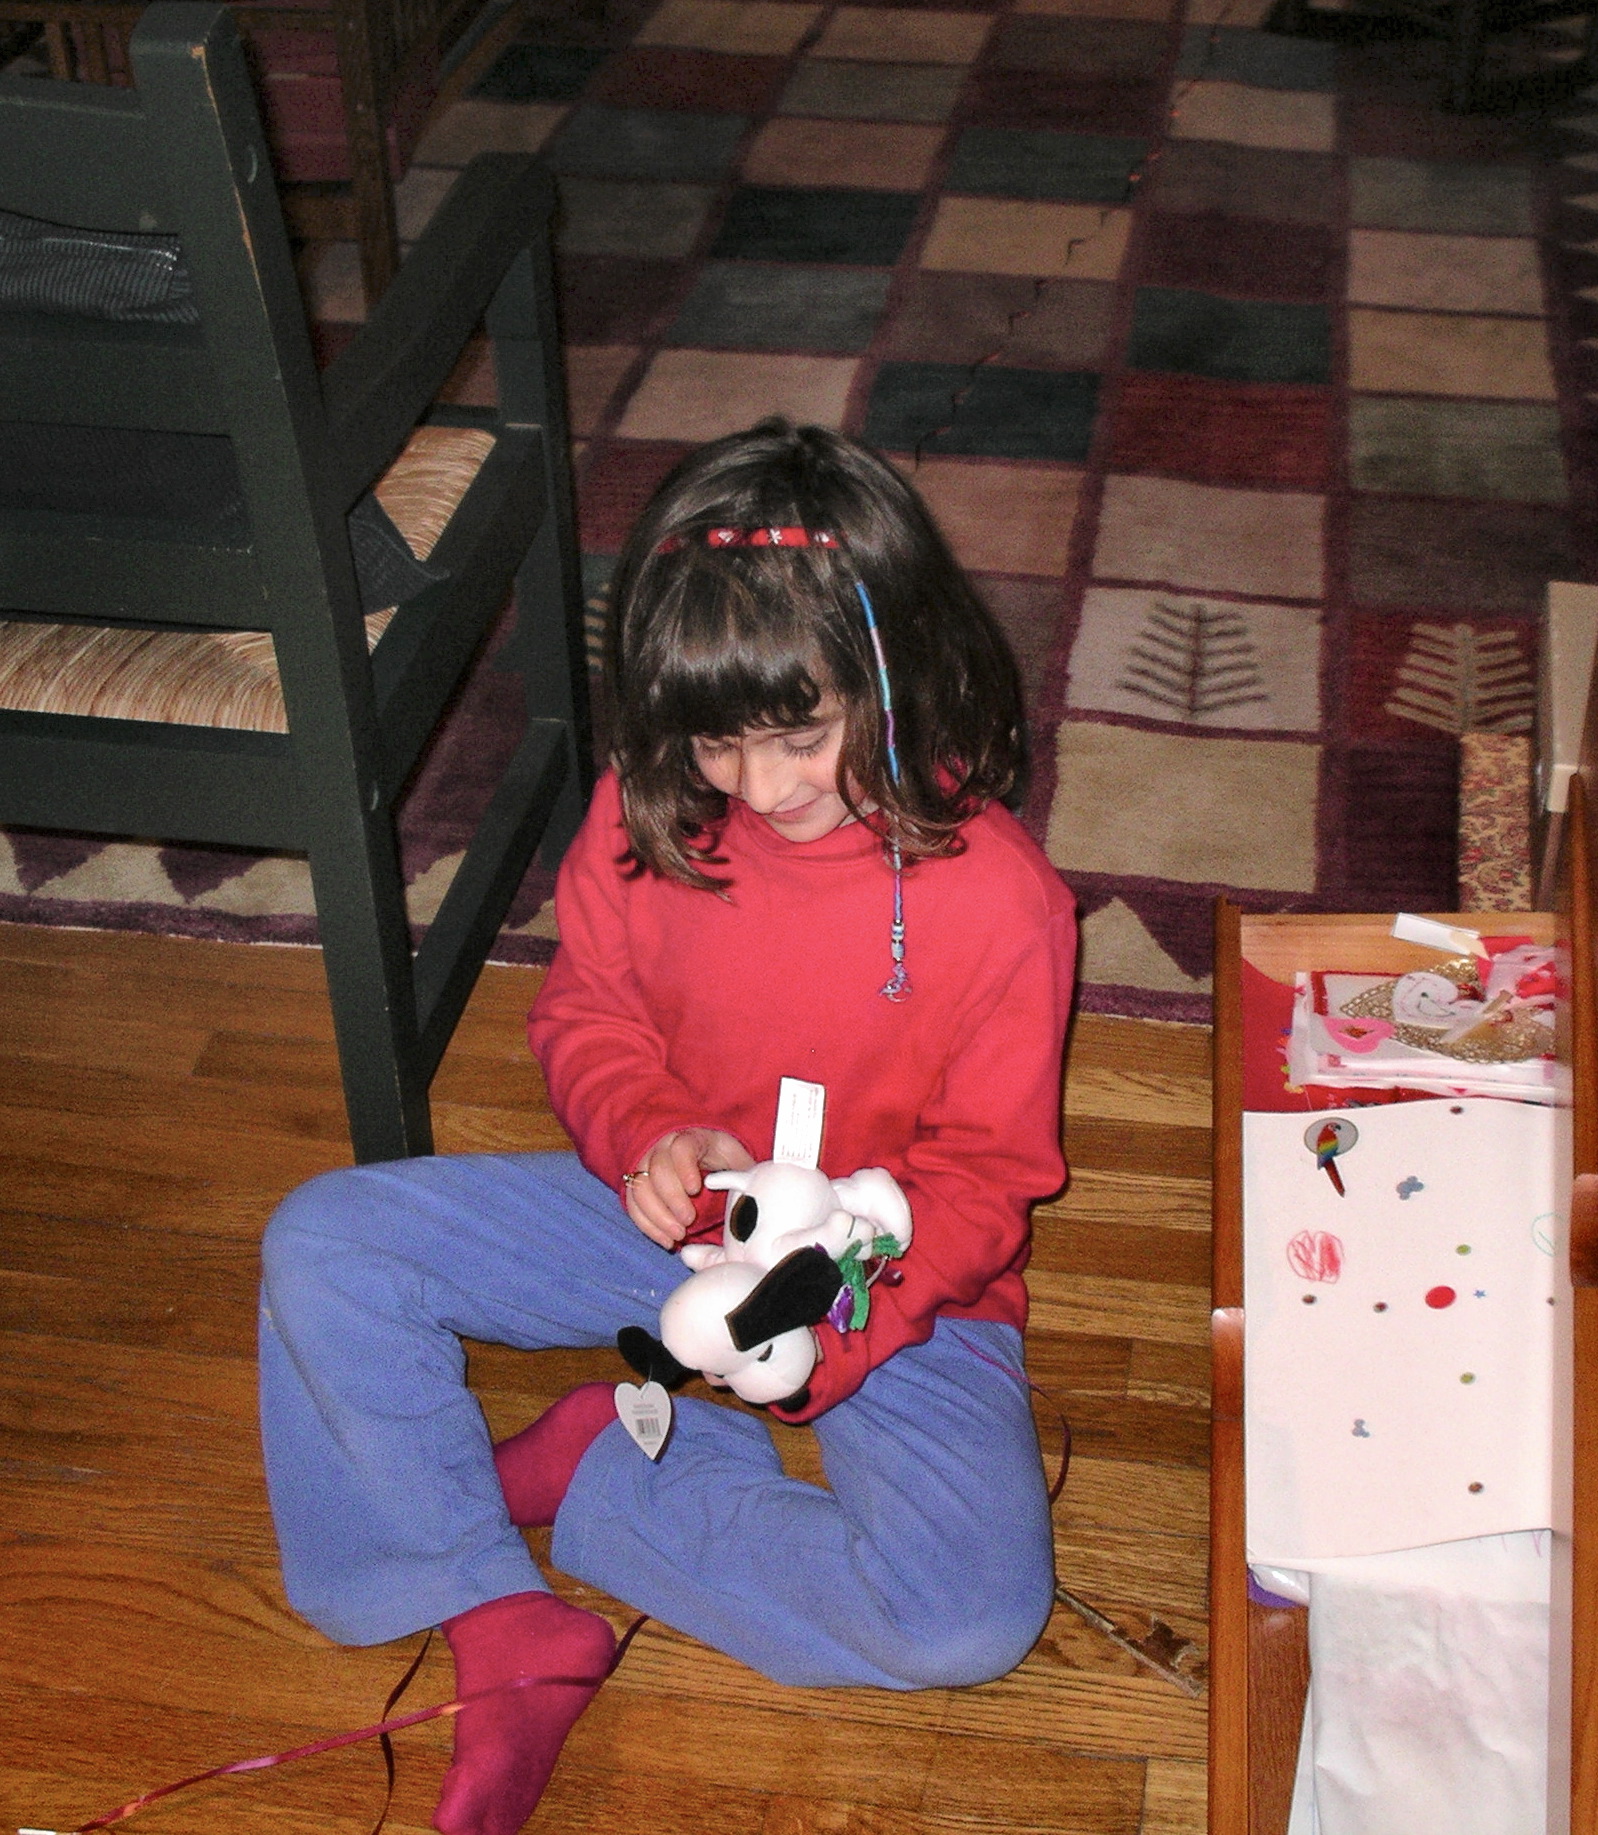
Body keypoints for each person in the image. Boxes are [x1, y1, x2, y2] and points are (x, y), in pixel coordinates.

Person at [258, 419, 1079, 1835]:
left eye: (802, 737)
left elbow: (988, 1176)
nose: (762, 789)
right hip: (666, 1225)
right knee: (327, 1240)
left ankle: (604, 1471)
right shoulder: (649, 819)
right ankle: (492, 1613)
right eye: (717, 742)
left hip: (894, 1286)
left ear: (895, 671)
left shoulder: (1002, 901)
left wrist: (831, 1333)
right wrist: (648, 1131)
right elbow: (586, 1013)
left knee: (962, 1621)